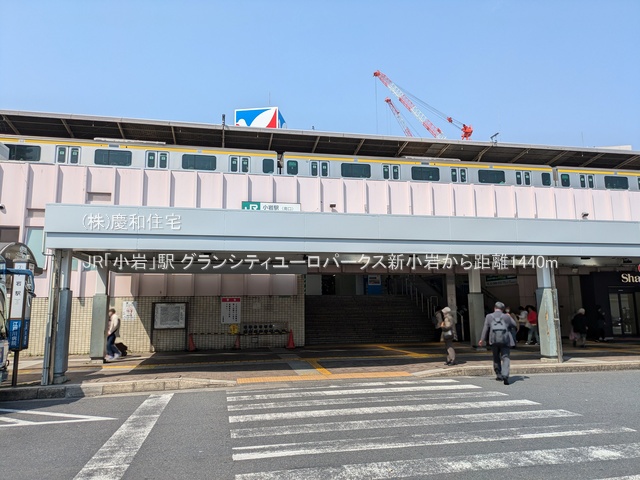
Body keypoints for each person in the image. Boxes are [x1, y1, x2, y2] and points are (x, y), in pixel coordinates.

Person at [479, 301, 517, 385]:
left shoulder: (489, 316)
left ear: (494, 308)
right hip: (505, 340)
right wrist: (509, 317)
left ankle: (498, 374)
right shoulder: (506, 317)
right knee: (505, 357)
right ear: (503, 309)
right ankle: (505, 375)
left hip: (494, 340)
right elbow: (514, 325)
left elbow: (485, 328)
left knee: (496, 357)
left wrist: (482, 339)